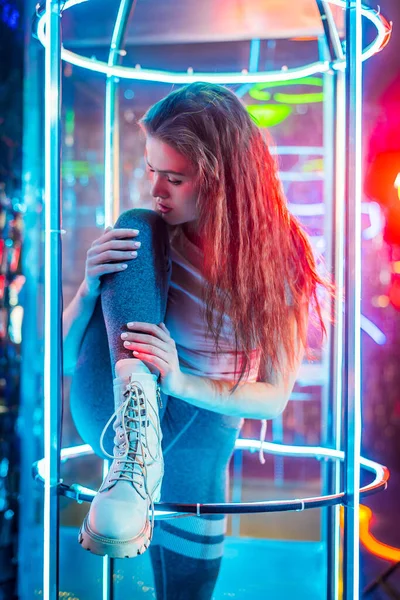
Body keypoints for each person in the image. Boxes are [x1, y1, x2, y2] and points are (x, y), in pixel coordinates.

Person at [63, 82, 333, 599]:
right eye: (151, 171)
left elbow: (273, 398)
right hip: (118, 412)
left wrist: (182, 379)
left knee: (188, 589)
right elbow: (61, 356)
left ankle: (147, 458)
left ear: (222, 179)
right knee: (134, 226)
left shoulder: (281, 261)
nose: (157, 190)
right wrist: (86, 289)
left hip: (200, 426)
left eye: (176, 178)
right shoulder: (151, 233)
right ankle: (136, 453)